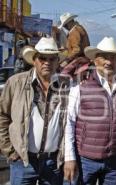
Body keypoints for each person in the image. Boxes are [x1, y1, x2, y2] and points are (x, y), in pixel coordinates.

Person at [63, 36, 116, 185]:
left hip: (115, 162)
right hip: (85, 161)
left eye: (113, 57)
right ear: (95, 60)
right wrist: (69, 158)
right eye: (104, 57)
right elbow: (69, 123)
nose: (109, 61)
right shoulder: (80, 87)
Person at [0, 37, 70, 185]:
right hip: (22, 161)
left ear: (57, 61)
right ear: (34, 60)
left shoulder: (65, 85)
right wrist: (10, 151)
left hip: (53, 162)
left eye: (52, 59)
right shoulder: (16, 83)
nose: (47, 62)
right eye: (42, 58)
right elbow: (2, 116)